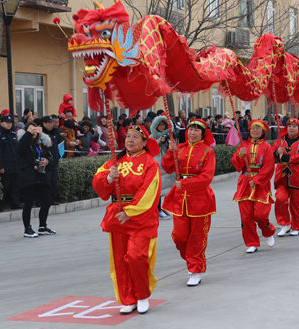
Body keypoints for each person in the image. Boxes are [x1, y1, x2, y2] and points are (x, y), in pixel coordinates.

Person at [92, 124, 161, 315]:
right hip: (117, 216)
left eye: (135, 137)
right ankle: (127, 298)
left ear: (145, 142)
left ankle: (142, 295)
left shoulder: (150, 164)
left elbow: (149, 192)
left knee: (136, 257)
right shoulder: (116, 161)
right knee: (120, 260)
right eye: (128, 136)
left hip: (140, 218)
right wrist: (108, 178)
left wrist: (130, 211)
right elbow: (98, 179)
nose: (130, 140)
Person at [162, 119, 216, 286]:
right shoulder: (180, 149)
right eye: (190, 129)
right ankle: (192, 260)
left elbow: (206, 177)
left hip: (201, 200)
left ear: (203, 133)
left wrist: (185, 184)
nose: (192, 133)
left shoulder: (208, 152)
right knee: (179, 236)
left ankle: (195, 269)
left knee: (197, 237)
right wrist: (170, 153)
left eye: (196, 130)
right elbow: (168, 167)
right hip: (180, 199)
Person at [231, 119, 276, 253]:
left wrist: (257, 180)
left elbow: (269, 167)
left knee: (261, 215)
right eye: (252, 128)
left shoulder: (267, 147)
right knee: (246, 217)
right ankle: (252, 242)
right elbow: (236, 164)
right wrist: (240, 155)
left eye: (257, 128)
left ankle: (268, 231)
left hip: (260, 184)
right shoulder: (243, 145)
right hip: (245, 183)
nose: (254, 130)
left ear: (262, 131)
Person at [17, 122, 55, 238]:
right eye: (31, 129)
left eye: (35, 129)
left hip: (41, 176)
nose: (34, 132)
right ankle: (27, 228)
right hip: (28, 178)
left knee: (46, 201)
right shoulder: (23, 143)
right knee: (28, 204)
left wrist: (46, 162)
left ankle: (42, 226)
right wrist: (28, 133)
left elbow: (50, 157)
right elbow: (20, 150)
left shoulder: (40, 144)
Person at [272, 118, 299, 236]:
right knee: (280, 199)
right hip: (282, 175)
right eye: (289, 126)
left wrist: (285, 158)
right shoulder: (280, 141)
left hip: (297, 175)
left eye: (294, 126)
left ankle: (296, 226)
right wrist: (277, 153)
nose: (291, 128)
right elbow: (272, 154)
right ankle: (284, 223)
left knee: (296, 204)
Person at [0, 114, 21, 210]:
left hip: (14, 165)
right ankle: (0, 205)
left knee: (14, 186)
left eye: (10, 123)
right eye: (7, 123)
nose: (9, 125)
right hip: (4, 166)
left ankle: (15, 204)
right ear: (1, 123)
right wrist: (0, 166)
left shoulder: (12, 134)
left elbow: (16, 151)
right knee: (4, 186)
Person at [149, 115, 173, 220]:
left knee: (167, 189)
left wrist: (168, 141)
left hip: (166, 165)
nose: (162, 127)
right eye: (160, 125)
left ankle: (165, 208)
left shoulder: (169, 135)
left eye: (163, 125)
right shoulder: (151, 136)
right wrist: (159, 141)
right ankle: (157, 210)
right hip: (156, 165)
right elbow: (150, 147)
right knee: (157, 190)